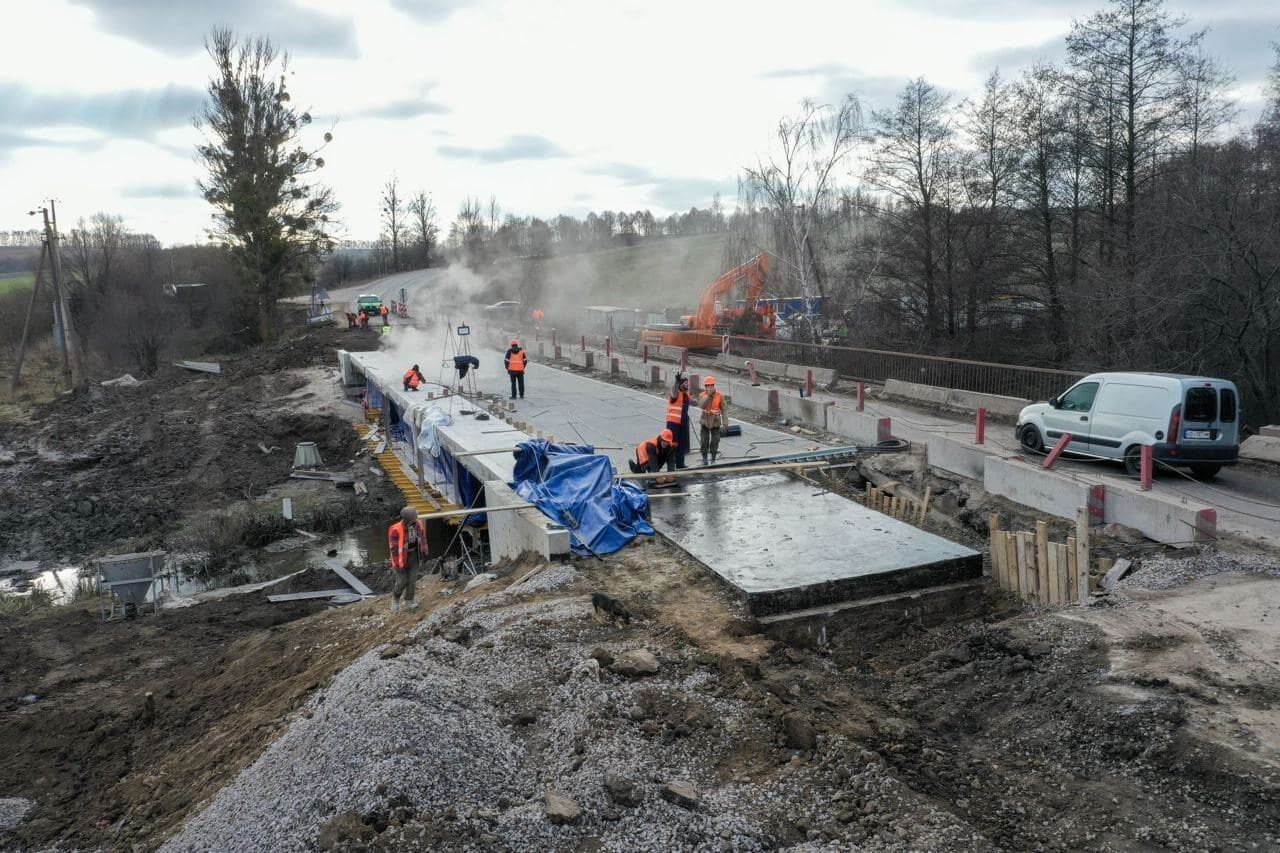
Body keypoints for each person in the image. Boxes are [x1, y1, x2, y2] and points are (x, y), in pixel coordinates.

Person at [387, 506, 428, 612]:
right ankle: (395, 599)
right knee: (402, 581)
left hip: (414, 555)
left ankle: (409, 600)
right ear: (409, 518)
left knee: (412, 579)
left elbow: (423, 539)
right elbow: (394, 550)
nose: (417, 517)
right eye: (415, 516)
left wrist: (424, 553)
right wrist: (398, 564)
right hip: (400, 558)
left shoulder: (418, 524)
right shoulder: (395, 529)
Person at [697, 376, 728, 465]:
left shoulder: (720, 396)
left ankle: (713, 459)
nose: (710, 387)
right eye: (708, 386)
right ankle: (704, 459)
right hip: (705, 421)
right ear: (705, 387)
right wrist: (708, 396)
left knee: (715, 440)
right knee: (704, 441)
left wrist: (725, 422)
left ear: (714, 386)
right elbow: (701, 405)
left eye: (711, 386)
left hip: (715, 421)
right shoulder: (702, 395)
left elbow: (724, 410)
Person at [666, 373, 692, 469]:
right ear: (681, 384)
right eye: (685, 383)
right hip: (673, 423)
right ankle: (671, 465)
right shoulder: (676, 394)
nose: (687, 385)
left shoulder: (686, 395)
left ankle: (680, 464)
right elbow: (674, 391)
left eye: (687, 383)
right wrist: (676, 382)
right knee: (673, 445)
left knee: (682, 444)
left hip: (683, 422)